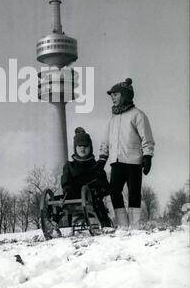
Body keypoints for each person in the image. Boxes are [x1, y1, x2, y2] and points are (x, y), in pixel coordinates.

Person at [98, 78, 155, 230]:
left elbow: (147, 138)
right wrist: (102, 159)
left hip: (133, 161)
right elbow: (105, 140)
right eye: (111, 95)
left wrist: (147, 156)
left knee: (134, 194)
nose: (112, 97)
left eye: (115, 94)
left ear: (125, 95)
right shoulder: (113, 119)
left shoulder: (138, 115)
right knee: (114, 192)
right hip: (116, 161)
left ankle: (135, 227)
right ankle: (123, 226)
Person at [61, 127, 112, 227]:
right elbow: (66, 181)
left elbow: (106, 189)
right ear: (75, 148)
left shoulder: (96, 166)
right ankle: (53, 225)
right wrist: (67, 189)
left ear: (90, 147)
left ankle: (105, 225)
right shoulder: (69, 166)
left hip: (92, 199)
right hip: (73, 197)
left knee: (96, 199)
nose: (82, 148)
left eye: (85, 146)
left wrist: (100, 188)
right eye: (79, 146)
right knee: (53, 202)